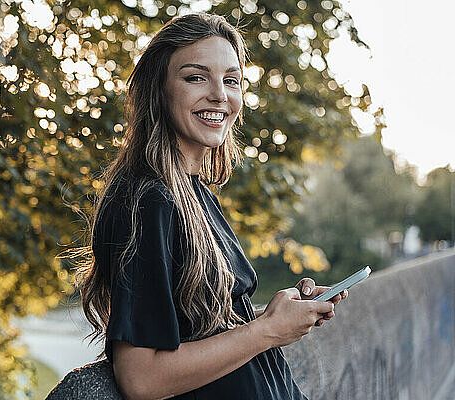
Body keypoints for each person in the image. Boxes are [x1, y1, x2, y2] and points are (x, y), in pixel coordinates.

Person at [75, 13, 347, 400]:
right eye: (196, 77)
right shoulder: (146, 201)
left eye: (231, 80)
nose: (220, 94)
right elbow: (142, 378)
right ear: (159, 90)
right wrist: (266, 331)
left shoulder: (194, 193)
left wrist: (279, 313)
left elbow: (210, 327)